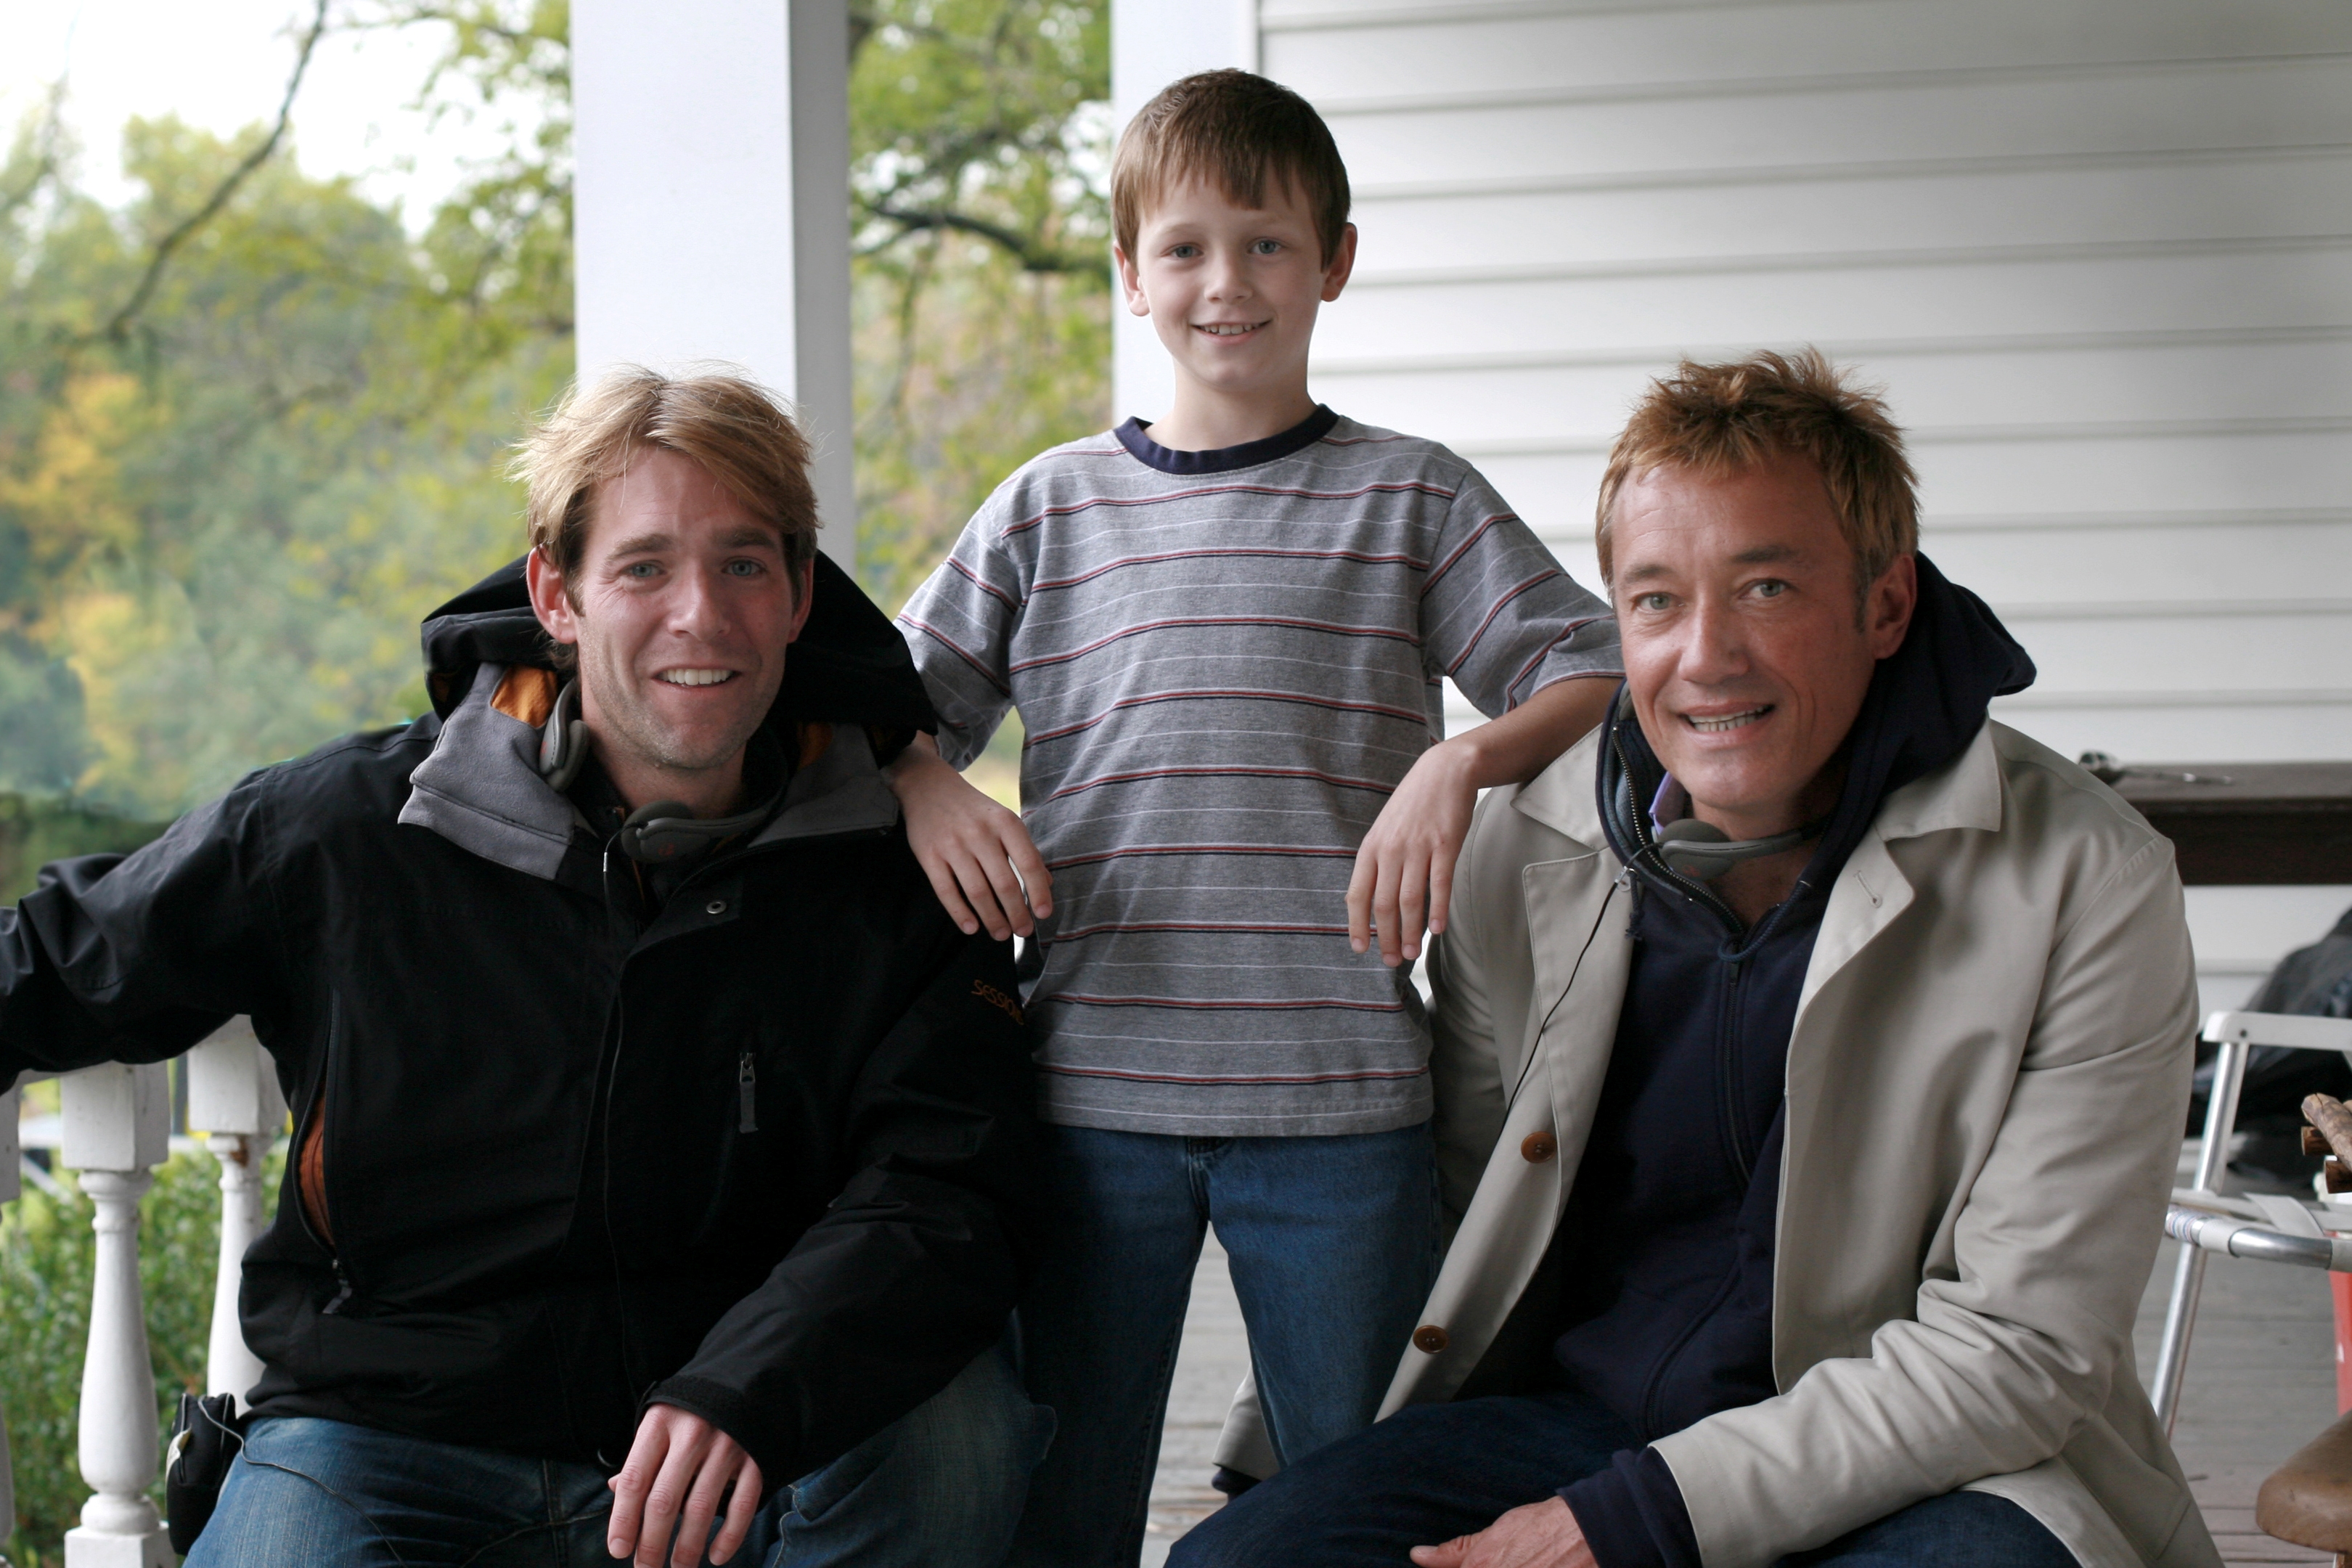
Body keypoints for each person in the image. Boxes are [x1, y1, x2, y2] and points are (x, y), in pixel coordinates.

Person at [1174, 349, 2221, 1568]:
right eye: (1657, 601)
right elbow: (1457, 1201)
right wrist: (1281, 1466)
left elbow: (2021, 1350)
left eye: (1767, 588)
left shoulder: (2088, 880)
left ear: (1887, 606)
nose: (1706, 656)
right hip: (1579, 1421)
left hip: (1930, 1456)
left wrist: (1632, 1528)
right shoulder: (1523, 841)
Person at [0, 369, 1052, 1568]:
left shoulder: (900, 875)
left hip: (740, 1451)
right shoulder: (345, 834)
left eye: (745, 564)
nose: (700, 614)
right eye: (644, 567)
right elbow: (61, 955)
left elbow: (952, 1187)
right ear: (557, 592)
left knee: (961, 1427)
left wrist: (749, 1385)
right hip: (388, 1440)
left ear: (803, 594)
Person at [883, 67, 1623, 1568]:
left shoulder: (1410, 499)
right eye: (1188, 248)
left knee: (1367, 1501)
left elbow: (1601, 665)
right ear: (1130, 274)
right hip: (1090, 1092)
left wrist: (1460, 762)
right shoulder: (1048, 510)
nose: (1229, 283)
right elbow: (883, 707)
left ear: (1334, 262)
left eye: (1269, 244)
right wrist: (919, 781)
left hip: (1342, 1100)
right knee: (1063, 1500)